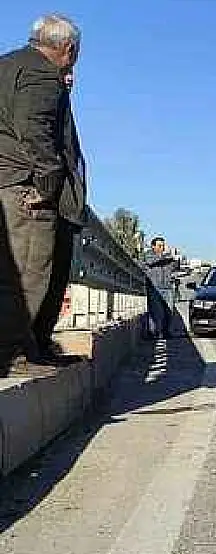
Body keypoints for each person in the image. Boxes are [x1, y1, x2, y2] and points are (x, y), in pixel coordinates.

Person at [0, 14, 82, 375]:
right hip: (26, 185)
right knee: (29, 270)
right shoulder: (40, 74)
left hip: (9, 179)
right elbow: (36, 130)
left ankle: (34, 346)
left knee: (20, 267)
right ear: (68, 48)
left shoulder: (10, 66)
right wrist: (48, 183)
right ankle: (16, 352)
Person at [31, 66, 87, 365]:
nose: (69, 78)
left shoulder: (63, 108)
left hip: (66, 207)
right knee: (39, 276)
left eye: (71, 74)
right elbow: (40, 148)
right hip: (51, 203)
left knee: (56, 278)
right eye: (64, 71)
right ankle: (28, 347)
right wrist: (45, 188)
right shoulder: (40, 101)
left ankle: (41, 342)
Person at [143, 236, 178, 339]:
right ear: (153, 246)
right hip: (154, 287)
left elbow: (175, 267)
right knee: (155, 311)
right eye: (159, 245)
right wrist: (168, 256)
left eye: (163, 245)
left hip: (167, 287)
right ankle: (153, 333)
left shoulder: (167, 257)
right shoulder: (149, 255)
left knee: (169, 311)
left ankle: (166, 331)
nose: (162, 247)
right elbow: (152, 262)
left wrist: (176, 260)